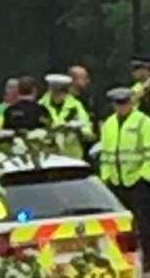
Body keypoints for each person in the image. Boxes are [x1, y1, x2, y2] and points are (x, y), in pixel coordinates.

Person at [99, 87, 150, 256]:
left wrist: (144, 177)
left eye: (124, 103)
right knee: (118, 226)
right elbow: (105, 154)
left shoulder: (143, 122)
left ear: (131, 103)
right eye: (117, 103)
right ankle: (123, 257)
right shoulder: (109, 124)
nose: (121, 107)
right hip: (115, 182)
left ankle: (148, 261)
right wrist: (105, 178)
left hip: (137, 181)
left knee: (144, 224)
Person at [39, 73, 93, 159]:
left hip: (71, 156)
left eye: (60, 92)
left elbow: (87, 128)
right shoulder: (41, 105)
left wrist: (79, 129)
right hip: (48, 156)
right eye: (54, 91)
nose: (58, 95)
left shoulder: (75, 106)